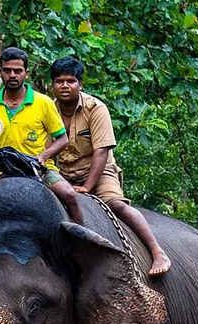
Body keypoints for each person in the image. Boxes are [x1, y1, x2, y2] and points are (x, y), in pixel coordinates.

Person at [48, 56, 171, 275]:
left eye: (70, 81)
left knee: (117, 205)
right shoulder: (47, 110)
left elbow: (102, 151)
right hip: (64, 173)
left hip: (99, 171)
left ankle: (157, 251)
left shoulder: (95, 108)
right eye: (59, 81)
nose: (65, 86)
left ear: (80, 84)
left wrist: (88, 186)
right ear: (53, 85)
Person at [0, 47, 84, 224]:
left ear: (26, 73)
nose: (12, 75)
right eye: (7, 70)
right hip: (7, 171)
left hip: (40, 171)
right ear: (1, 72)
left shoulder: (42, 102)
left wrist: (43, 156)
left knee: (69, 196)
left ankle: (81, 240)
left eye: (17, 71)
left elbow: (62, 139)